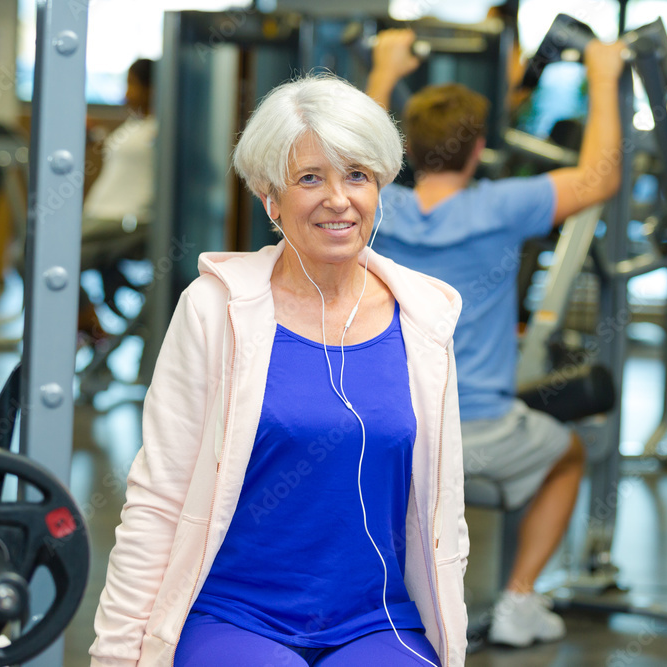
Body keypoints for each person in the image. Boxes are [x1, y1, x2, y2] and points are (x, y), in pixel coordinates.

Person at [90, 73, 470, 666]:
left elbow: (446, 504)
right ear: (271, 198)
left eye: (358, 176)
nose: (338, 199)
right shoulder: (214, 310)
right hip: (236, 614)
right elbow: (158, 498)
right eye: (310, 178)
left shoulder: (425, 316)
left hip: (381, 620)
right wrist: (115, 654)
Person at [366, 29, 625, 647]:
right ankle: (518, 601)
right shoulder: (503, 205)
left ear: (403, 150)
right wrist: (604, 74)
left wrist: (383, 70)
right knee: (568, 453)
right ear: (479, 150)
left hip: (390, 432)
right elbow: (600, 175)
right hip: (477, 436)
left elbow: (354, 152)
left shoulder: (374, 203)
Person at [78, 58, 158, 349]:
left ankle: (93, 331)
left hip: (126, 222)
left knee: (40, 256)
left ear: (152, 88)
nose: (127, 93)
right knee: (31, 253)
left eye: (132, 84)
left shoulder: (162, 129)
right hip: (100, 218)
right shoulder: (136, 124)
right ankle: (92, 331)